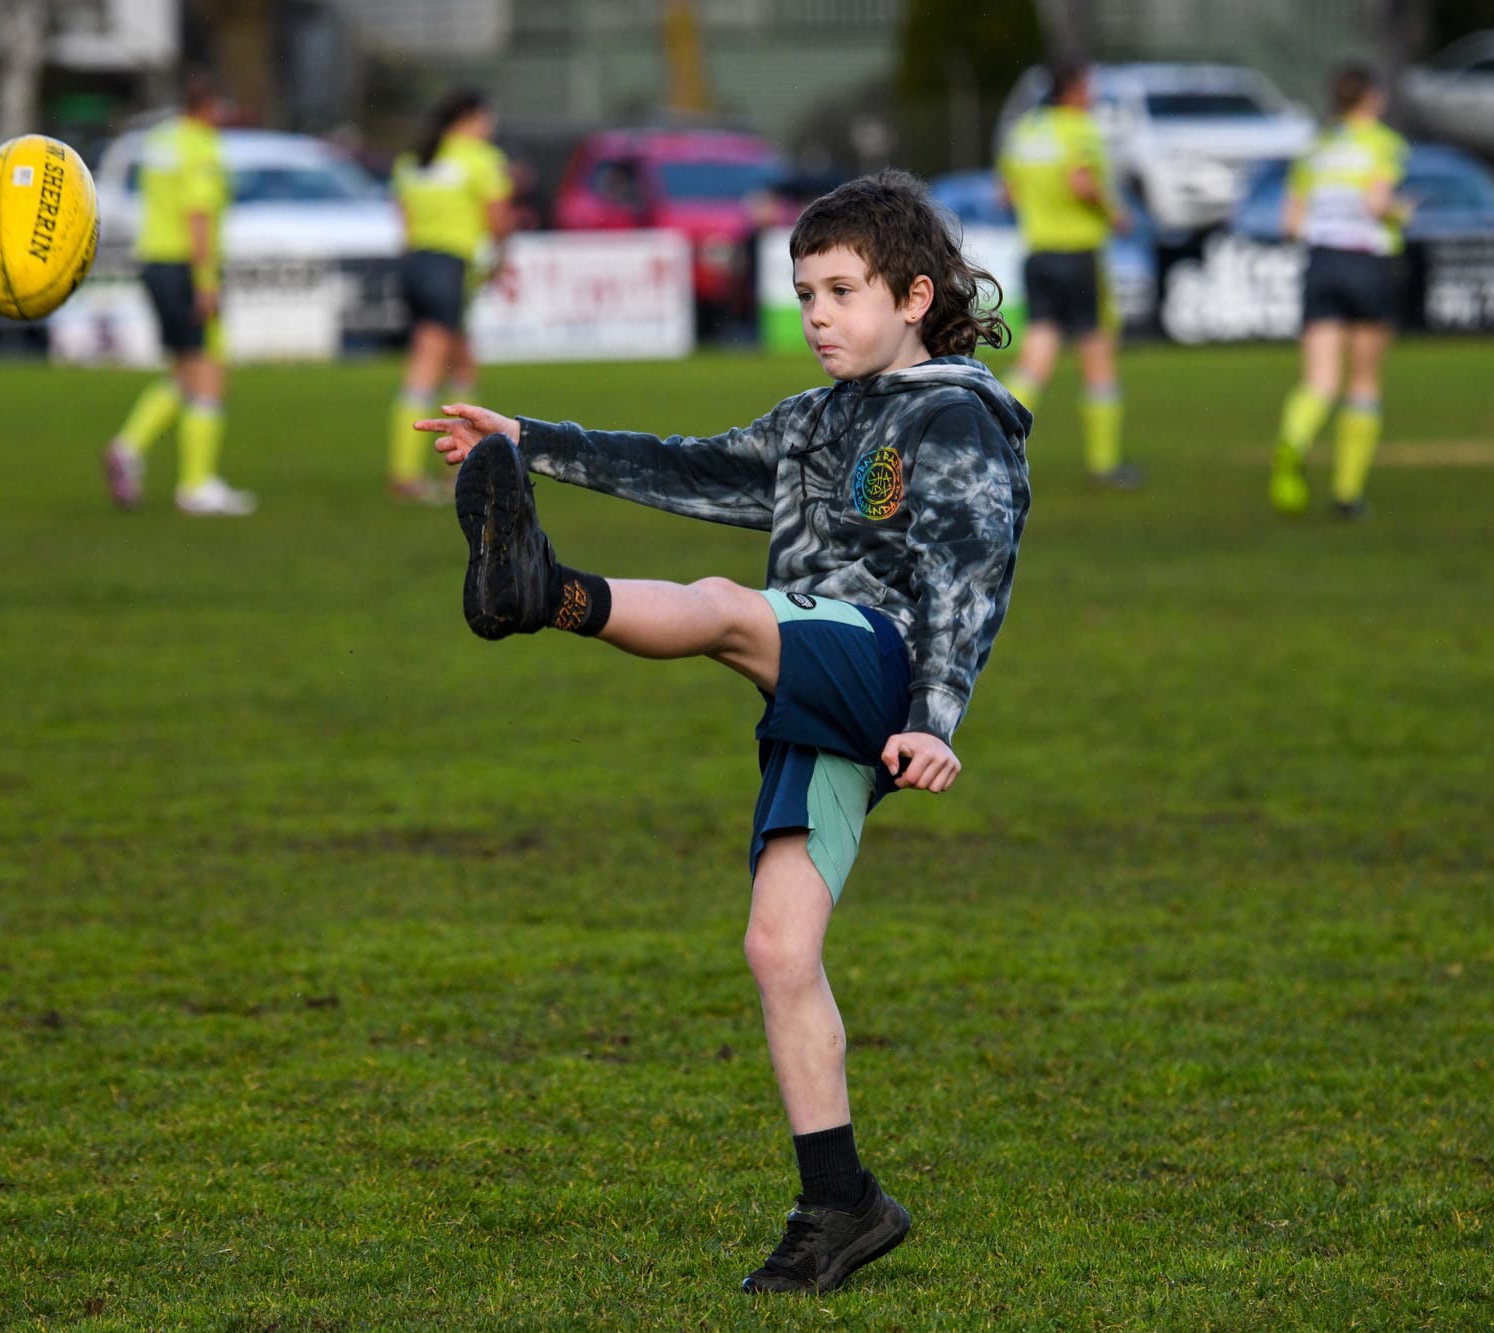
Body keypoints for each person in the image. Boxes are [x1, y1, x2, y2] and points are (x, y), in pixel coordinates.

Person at [418, 170, 1032, 1294]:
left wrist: (935, 716)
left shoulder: (955, 416)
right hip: (817, 678)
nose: (816, 316)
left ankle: (547, 594)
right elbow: (689, 468)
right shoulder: (814, 419)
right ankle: (839, 1201)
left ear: (913, 295)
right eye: (802, 294)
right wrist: (524, 437)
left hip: (879, 656)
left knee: (722, 607)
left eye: (840, 292)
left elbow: (968, 576)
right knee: (776, 950)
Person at [103, 70, 257, 517]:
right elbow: (198, 216)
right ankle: (196, 486)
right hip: (187, 267)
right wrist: (207, 281)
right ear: (209, 107)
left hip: (154, 261)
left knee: (185, 373)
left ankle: (127, 448)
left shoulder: (159, 141)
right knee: (209, 375)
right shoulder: (201, 148)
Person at [1269, 61, 1411, 519]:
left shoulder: (1315, 150)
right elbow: (1376, 204)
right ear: (1371, 98)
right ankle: (1348, 494)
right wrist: (1398, 213)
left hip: (1322, 262)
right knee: (1364, 382)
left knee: (1320, 381)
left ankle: (1294, 440)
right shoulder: (1382, 144)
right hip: (1366, 261)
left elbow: (1289, 224)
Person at [997, 55, 1142, 489]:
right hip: (1078, 254)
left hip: (1038, 252)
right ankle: (1105, 464)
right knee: (1098, 358)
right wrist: (1114, 214)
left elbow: (1006, 194)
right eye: (1089, 86)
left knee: (1036, 357)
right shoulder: (1080, 129)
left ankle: (992, 438)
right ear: (1075, 89)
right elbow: (1081, 182)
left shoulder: (1023, 132)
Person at [387, 88, 515, 502]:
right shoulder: (480, 159)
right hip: (451, 267)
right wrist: (501, 257)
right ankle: (405, 474)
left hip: (416, 264)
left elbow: (403, 219)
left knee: (462, 363)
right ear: (472, 118)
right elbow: (497, 218)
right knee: (428, 362)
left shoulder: (415, 159)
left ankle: (464, 466)